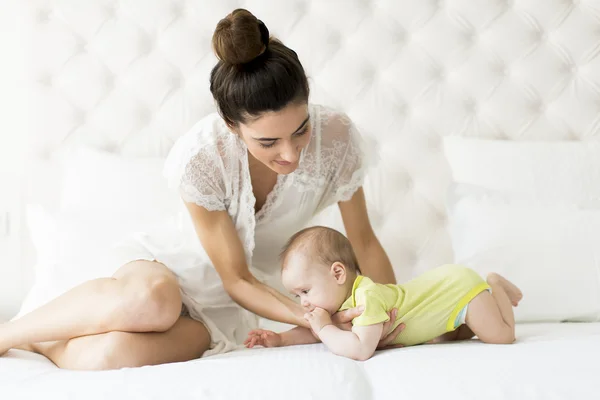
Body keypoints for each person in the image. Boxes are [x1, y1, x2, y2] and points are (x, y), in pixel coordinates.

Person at [0, 9, 405, 370]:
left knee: (108, 358)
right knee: (155, 301)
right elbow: (237, 278)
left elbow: (364, 243)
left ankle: (43, 340)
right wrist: (317, 320)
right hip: (172, 272)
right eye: (267, 143)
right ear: (233, 127)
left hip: (235, 310)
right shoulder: (203, 157)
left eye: (300, 130)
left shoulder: (337, 138)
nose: (291, 154)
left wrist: (392, 313)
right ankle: (9, 333)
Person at [245, 226, 523, 361]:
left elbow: (360, 349)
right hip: (447, 302)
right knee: (456, 335)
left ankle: (495, 284)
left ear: (338, 273)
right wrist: (279, 339)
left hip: (460, 289)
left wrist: (326, 328)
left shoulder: (367, 298)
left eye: (305, 290)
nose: (304, 302)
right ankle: (467, 315)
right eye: (297, 296)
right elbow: (317, 330)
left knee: (502, 336)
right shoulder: (341, 302)